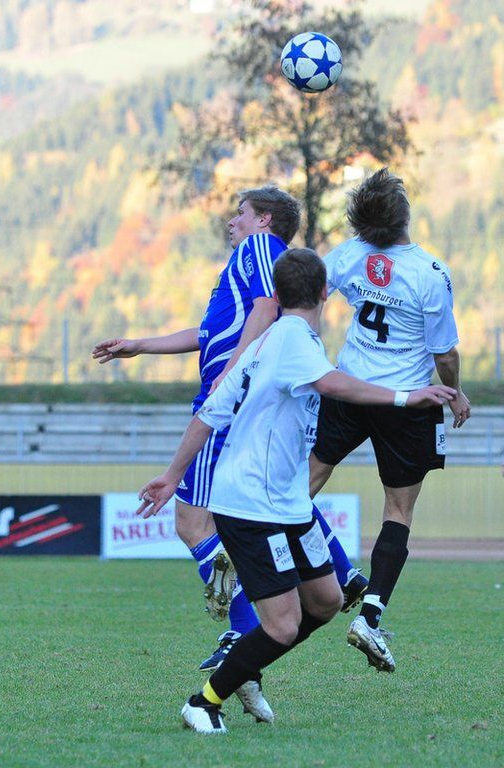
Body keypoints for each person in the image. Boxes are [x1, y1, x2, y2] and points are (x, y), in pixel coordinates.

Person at [135, 248, 457, 733]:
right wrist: (405, 396)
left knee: (326, 600)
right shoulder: (291, 341)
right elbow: (334, 385)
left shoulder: (269, 341)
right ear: (326, 292)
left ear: (279, 294)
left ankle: (243, 665)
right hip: (252, 505)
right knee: (283, 624)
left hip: (287, 504)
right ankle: (204, 702)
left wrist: (172, 475)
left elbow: (209, 412)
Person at [92, 186, 365, 718]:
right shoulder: (241, 271)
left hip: (226, 399)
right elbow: (209, 332)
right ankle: (333, 573)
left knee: (194, 523)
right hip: (235, 396)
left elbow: (267, 305)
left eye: (241, 212)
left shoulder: (260, 249)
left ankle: (242, 631)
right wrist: (142, 345)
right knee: (260, 496)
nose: (232, 221)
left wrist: (235, 373)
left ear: (264, 219)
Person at [309, 168, 471, 673]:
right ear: (405, 217)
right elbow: (445, 354)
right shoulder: (429, 272)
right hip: (407, 401)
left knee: (303, 484)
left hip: (351, 388)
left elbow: (311, 291)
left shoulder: (350, 254)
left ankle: (262, 553)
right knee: (398, 510)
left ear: (361, 223)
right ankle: (370, 618)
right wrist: (455, 392)